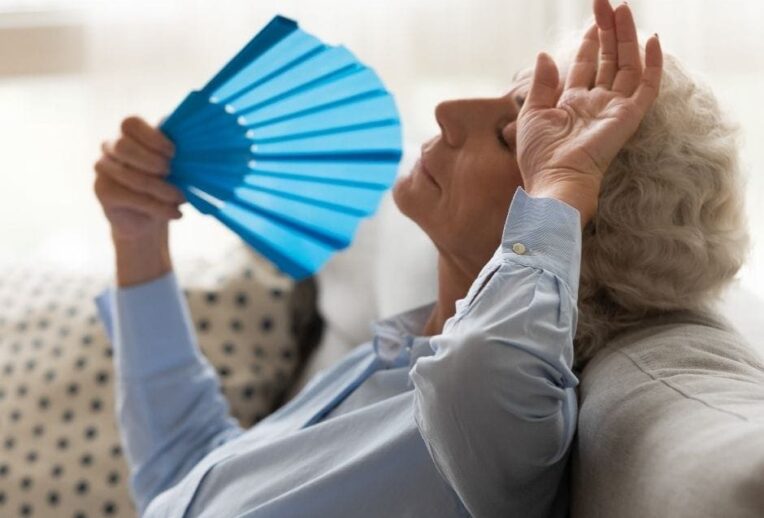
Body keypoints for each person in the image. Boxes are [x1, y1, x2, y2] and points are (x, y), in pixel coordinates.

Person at [91, 0, 747, 515]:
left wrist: (561, 187)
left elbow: (484, 368)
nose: (447, 111)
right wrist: (138, 235)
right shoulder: (398, 352)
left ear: (574, 232)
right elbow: (185, 478)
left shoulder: (499, 430)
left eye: (508, 134)